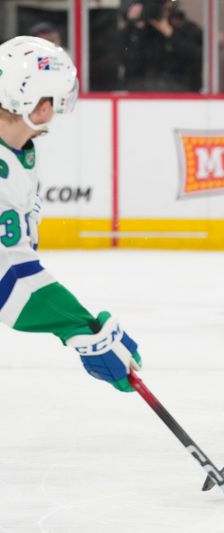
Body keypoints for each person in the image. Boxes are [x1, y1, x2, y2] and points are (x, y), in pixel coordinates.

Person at [0, 36, 142, 393]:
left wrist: (80, 326)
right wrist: (81, 328)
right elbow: (10, 278)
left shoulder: (17, 154)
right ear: (40, 107)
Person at [121, 0, 203, 92]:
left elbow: (197, 57)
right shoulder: (136, 31)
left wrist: (170, 33)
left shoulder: (183, 27)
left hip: (177, 92)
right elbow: (125, 61)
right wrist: (135, 26)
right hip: (142, 94)